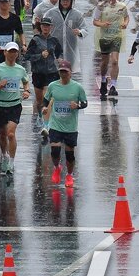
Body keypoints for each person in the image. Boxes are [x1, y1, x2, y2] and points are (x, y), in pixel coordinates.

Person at [0, 43, 32, 176]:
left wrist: (27, 91)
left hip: (15, 105)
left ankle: (11, 162)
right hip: (1, 105)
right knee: (2, 134)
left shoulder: (20, 69)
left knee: (11, 134)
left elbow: (26, 81)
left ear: (17, 54)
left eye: (15, 52)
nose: (12, 54)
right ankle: (4, 155)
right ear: (5, 52)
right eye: (10, 51)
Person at [43, 60, 89, 188]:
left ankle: (69, 174)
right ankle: (57, 167)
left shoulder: (77, 87)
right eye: (61, 72)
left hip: (70, 127)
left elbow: (85, 103)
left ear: (70, 73)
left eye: (65, 72)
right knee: (55, 151)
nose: (63, 74)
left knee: (69, 155)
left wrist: (77, 105)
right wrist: (45, 108)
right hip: (55, 124)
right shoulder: (53, 86)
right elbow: (46, 99)